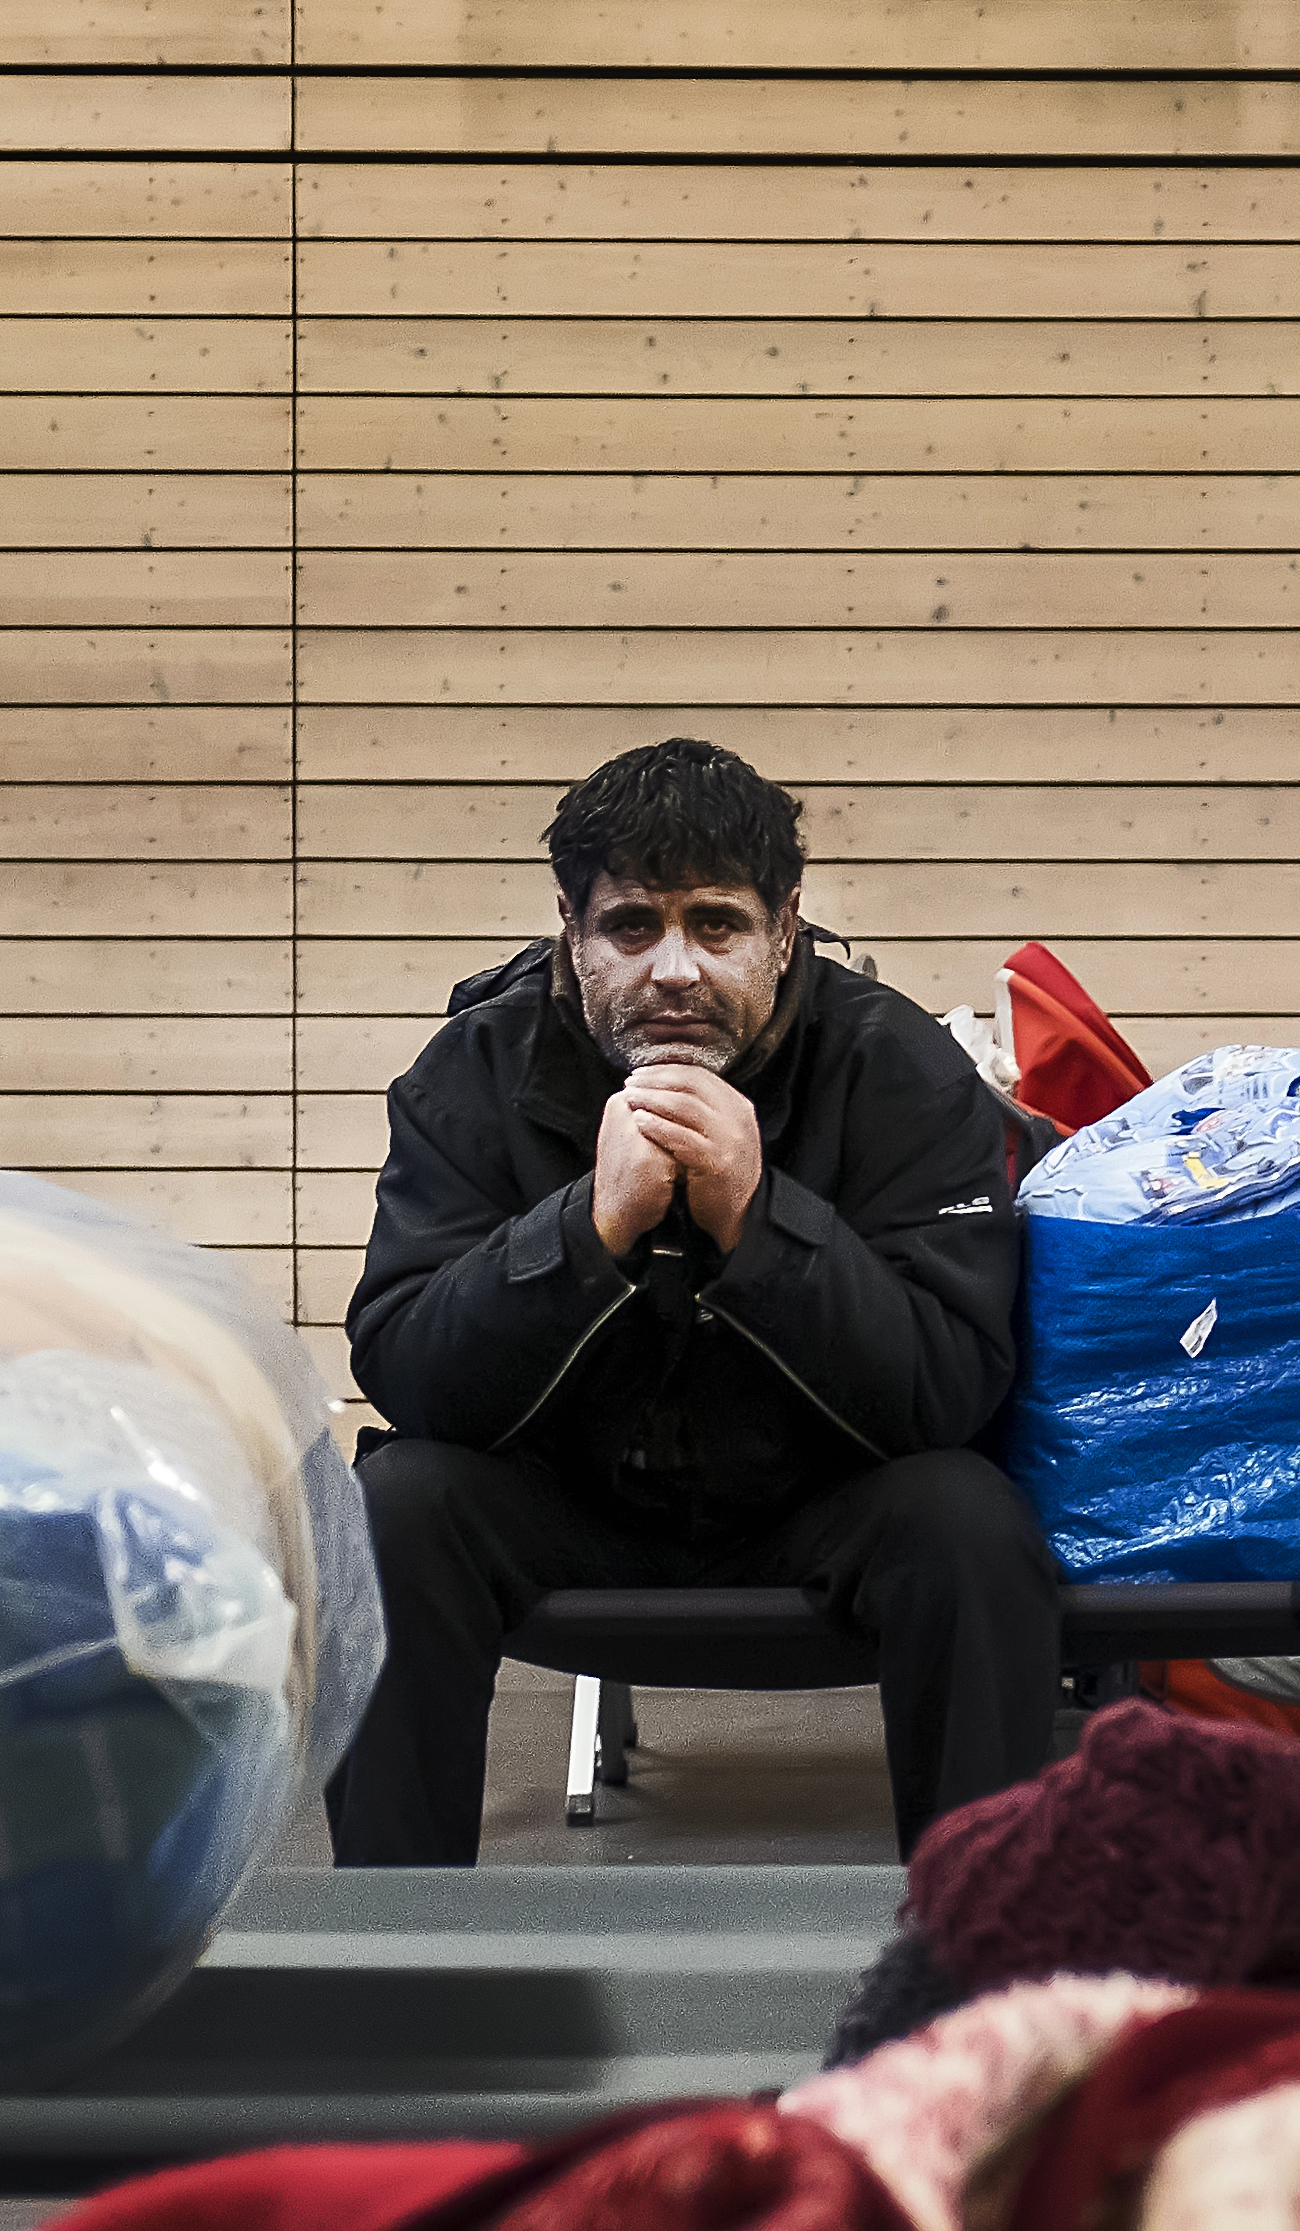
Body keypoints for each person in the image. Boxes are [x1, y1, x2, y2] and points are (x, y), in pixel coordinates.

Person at [328, 737, 1069, 1865]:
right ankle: (387, 1957)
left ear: (784, 927)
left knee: (968, 1521)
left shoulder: (899, 1070)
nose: (673, 968)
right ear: (570, 933)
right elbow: (408, 1366)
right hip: (566, 1506)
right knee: (392, 1506)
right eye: (631, 927)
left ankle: (987, 1962)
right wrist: (586, 1229)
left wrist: (755, 1218)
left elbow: (951, 1388)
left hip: (816, 1509)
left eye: (716, 925)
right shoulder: (471, 1072)